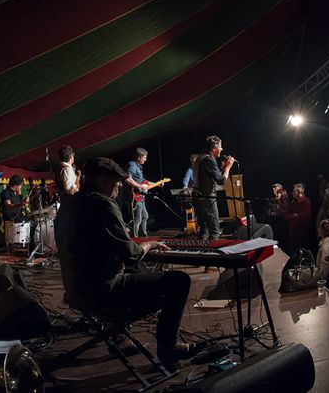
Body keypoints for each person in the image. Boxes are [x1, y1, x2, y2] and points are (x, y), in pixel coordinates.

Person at [55, 157, 204, 367]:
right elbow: (130, 254)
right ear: (102, 180)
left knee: (137, 271)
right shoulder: (103, 204)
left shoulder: (68, 205)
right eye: (116, 180)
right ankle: (168, 349)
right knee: (179, 281)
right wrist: (150, 245)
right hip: (103, 292)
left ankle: (119, 337)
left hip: (75, 291)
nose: (119, 185)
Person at [192, 135, 234, 241]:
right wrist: (228, 168)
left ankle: (202, 252)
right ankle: (212, 253)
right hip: (206, 199)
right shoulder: (209, 160)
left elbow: (214, 176)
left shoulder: (200, 158)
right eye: (220, 146)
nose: (222, 149)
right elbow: (221, 181)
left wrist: (223, 168)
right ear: (214, 148)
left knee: (204, 229)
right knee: (214, 231)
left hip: (197, 196)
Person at [125, 148, 151, 237]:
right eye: (145, 157)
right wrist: (140, 186)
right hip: (135, 196)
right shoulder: (132, 165)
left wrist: (156, 183)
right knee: (137, 219)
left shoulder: (138, 167)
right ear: (139, 157)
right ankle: (135, 238)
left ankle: (143, 236)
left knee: (145, 216)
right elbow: (128, 179)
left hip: (140, 196)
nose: (146, 159)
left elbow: (143, 181)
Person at [285, 183, 313, 256]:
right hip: (293, 234)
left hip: (302, 234)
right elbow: (286, 215)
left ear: (298, 192)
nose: (292, 193)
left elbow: (305, 217)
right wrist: (294, 215)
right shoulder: (293, 202)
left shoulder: (306, 202)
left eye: (294, 191)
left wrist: (295, 216)